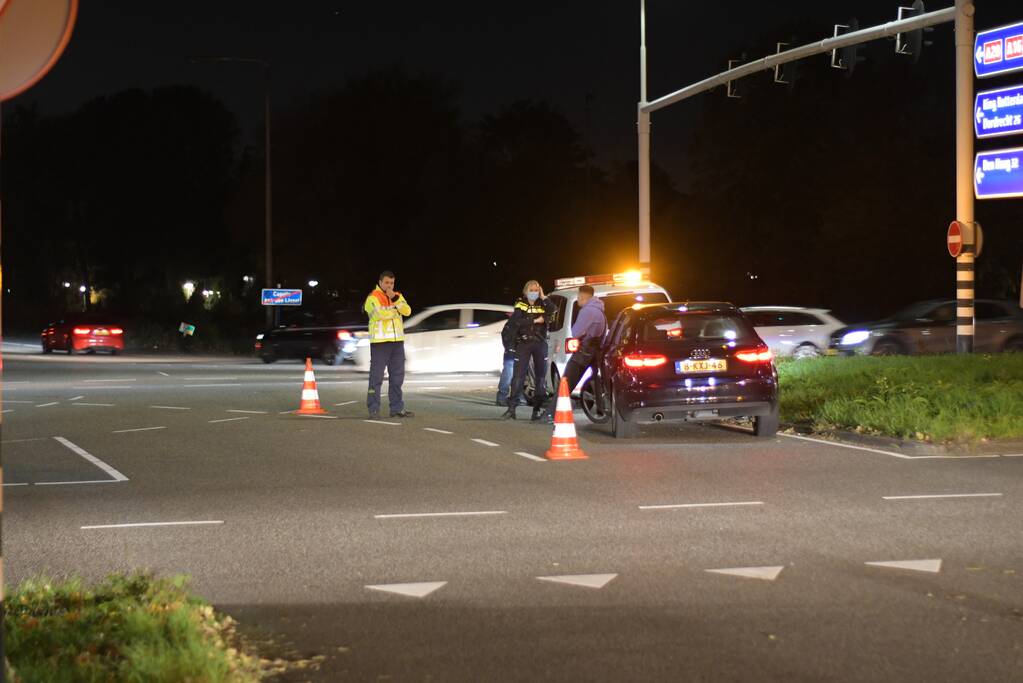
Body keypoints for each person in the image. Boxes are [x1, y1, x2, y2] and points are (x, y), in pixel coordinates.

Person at [546, 285, 607, 421]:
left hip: (584, 352)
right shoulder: (600, 310)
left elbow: (575, 332)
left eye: (579, 297)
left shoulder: (587, 311)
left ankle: (550, 414)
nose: (578, 300)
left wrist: (581, 334)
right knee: (597, 381)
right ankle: (601, 410)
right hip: (595, 351)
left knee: (565, 383)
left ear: (583, 297)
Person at [501, 280, 557, 421]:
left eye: (536, 290)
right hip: (524, 343)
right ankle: (512, 408)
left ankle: (536, 410)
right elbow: (517, 322)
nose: (534, 292)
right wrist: (536, 321)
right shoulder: (520, 303)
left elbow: (553, 310)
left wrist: (544, 297)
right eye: (531, 290)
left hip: (540, 343)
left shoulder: (542, 302)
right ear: (526, 291)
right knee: (518, 376)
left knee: (540, 377)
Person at [364, 270, 414, 419]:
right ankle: (373, 409)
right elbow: (380, 315)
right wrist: (395, 310)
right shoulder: (373, 297)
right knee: (376, 378)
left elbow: (407, 311)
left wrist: (395, 300)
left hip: (397, 343)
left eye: (391, 283)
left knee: (397, 377)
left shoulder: (397, 296)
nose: (389, 285)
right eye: (386, 282)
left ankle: (397, 409)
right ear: (380, 283)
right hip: (380, 343)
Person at [495, 317, 516, 406]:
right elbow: (506, 336)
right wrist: (511, 348)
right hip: (512, 353)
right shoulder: (514, 321)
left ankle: (515, 398)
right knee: (508, 374)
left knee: (516, 376)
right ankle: (502, 398)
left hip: (520, 353)